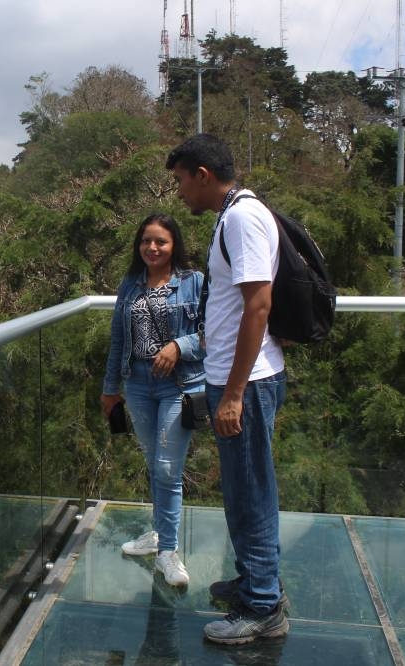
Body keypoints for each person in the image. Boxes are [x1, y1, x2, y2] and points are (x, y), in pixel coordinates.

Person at [165, 133, 289, 644]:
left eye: (181, 182)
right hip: (238, 376)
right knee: (240, 489)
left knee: (251, 490)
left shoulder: (241, 218)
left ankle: (263, 606)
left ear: (203, 175)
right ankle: (253, 581)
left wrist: (234, 392)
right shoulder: (235, 215)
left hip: (248, 380)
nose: (180, 194)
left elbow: (258, 304)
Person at [101, 213, 206, 587]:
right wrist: (110, 388)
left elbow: (213, 333)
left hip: (178, 384)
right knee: (153, 461)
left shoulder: (194, 283)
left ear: (174, 244)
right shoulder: (130, 285)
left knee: (166, 467)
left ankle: (169, 553)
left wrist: (179, 345)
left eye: (160, 241)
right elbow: (117, 340)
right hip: (138, 384)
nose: (152, 247)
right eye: (146, 241)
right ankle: (160, 534)